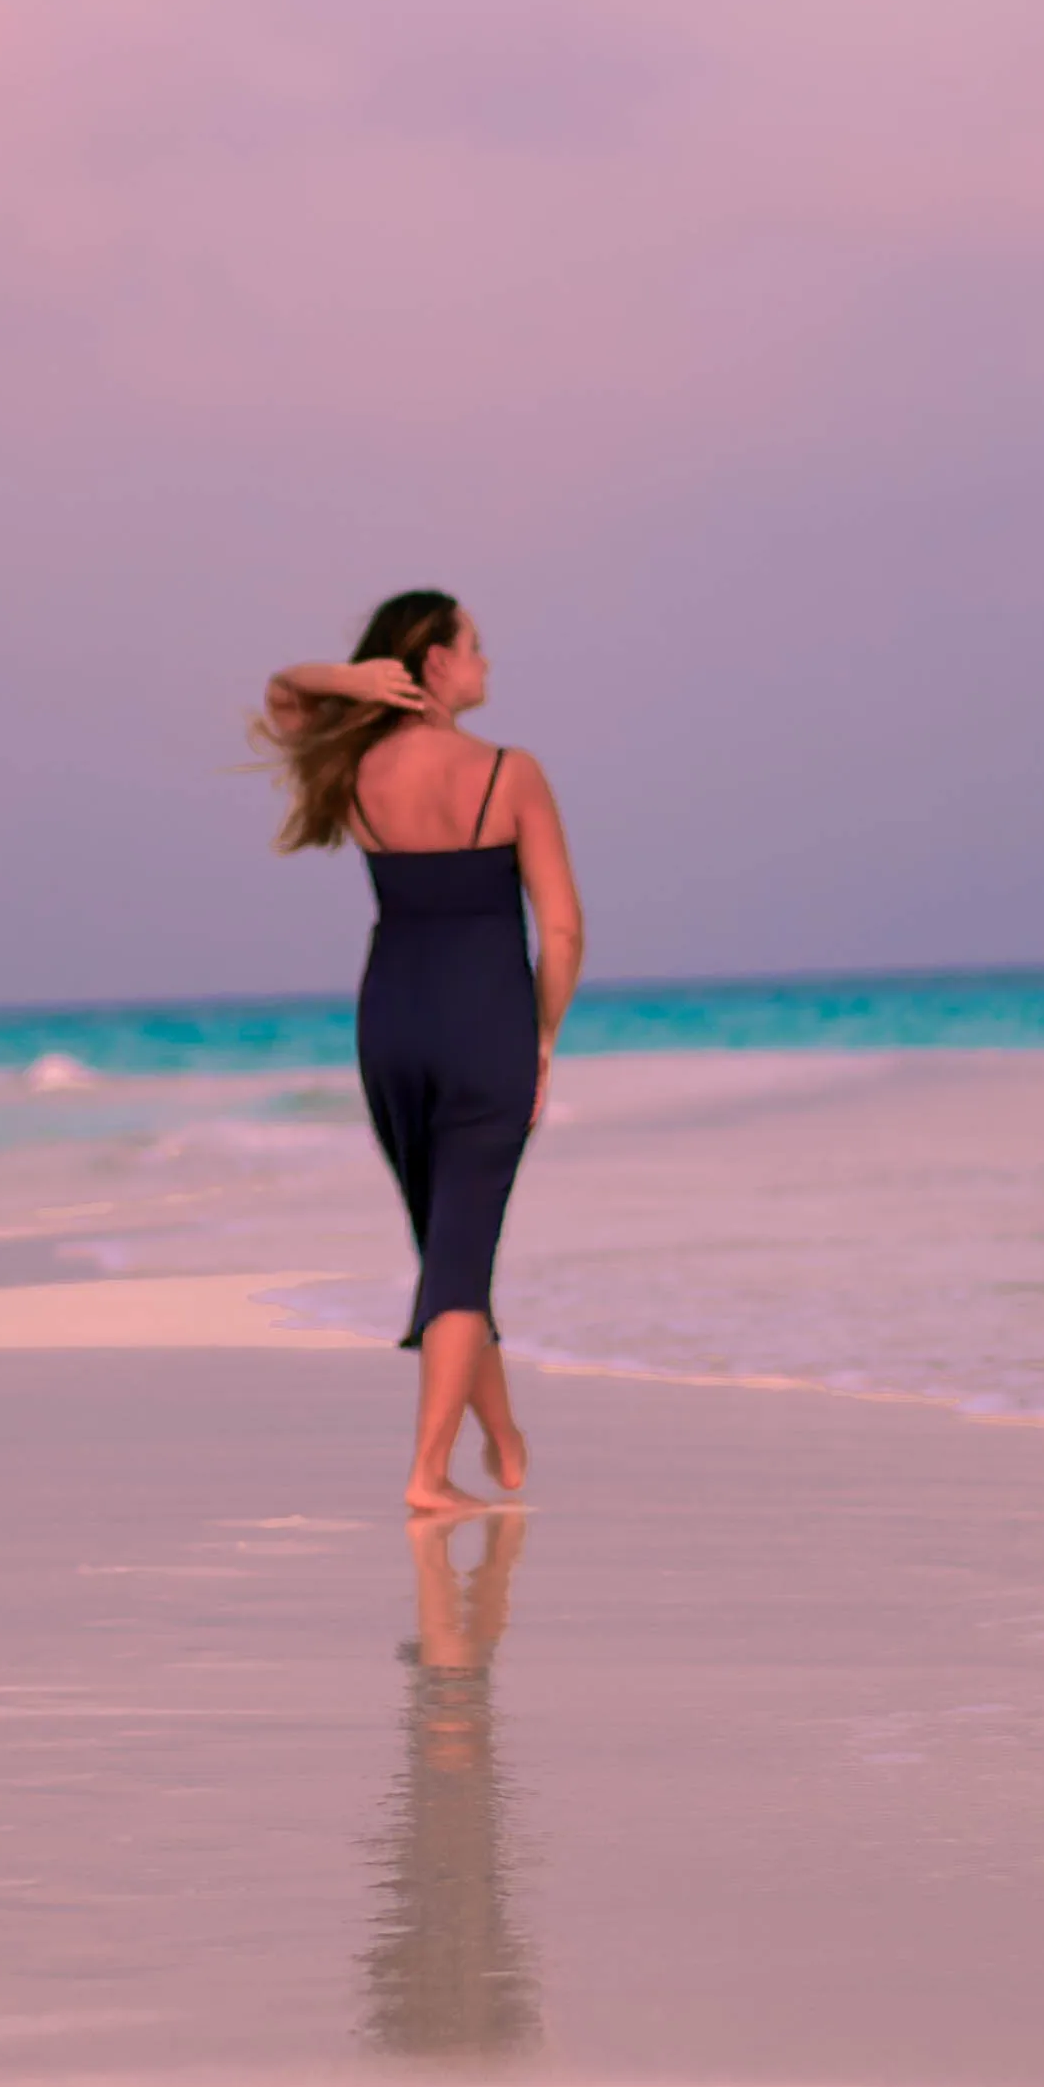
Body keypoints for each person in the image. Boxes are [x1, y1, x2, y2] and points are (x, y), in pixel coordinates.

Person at [257, 594, 585, 1517]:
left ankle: (502, 1432)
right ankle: (429, 1474)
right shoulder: (510, 772)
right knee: (459, 1256)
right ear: (434, 663)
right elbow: (561, 930)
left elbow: (283, 693)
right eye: (475, 647)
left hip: (391, 1023)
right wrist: (546, 1035)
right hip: (486, 1025)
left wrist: (343, 683)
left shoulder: (352, 769)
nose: (487, 663)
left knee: (449, 1248)